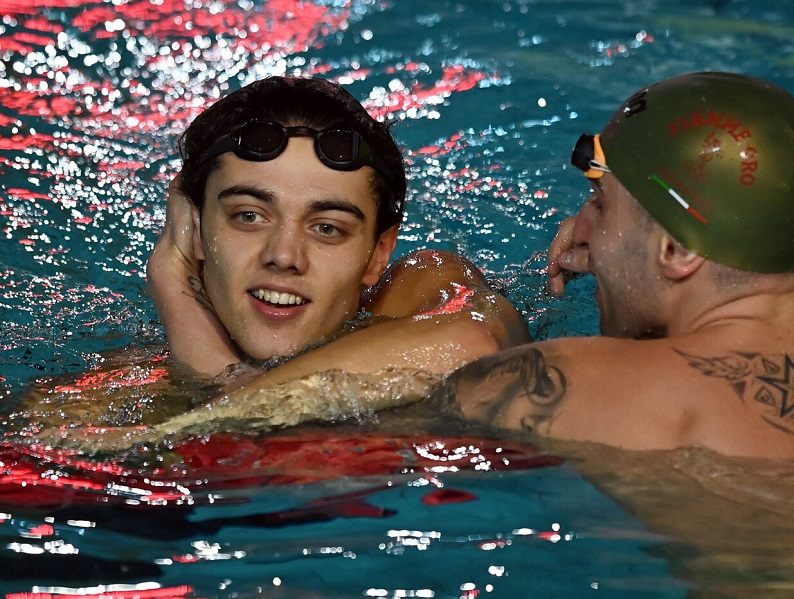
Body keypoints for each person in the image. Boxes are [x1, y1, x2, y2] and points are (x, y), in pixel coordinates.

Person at [431, 71, 794, 458]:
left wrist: (506, 309)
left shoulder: (552, 384)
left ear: (677, 250)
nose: (580, 229)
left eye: (600, 204)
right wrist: (627, 256)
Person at [31, 75, 527, 434]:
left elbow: (475, 340)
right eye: (249, 216)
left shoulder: (413, 294)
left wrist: (183, 307)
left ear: (378, 254)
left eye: (327, 228)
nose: (284, 256)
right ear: (196, 230)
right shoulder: (120, 387)